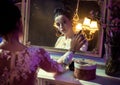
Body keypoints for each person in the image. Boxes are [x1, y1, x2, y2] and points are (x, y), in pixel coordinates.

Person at [0, 1, 86, 85]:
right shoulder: (36, 53)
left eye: (64, 22)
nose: (61, 27)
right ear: (19, 23)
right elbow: (58, 67)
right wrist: (71, 50)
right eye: (58, 24)